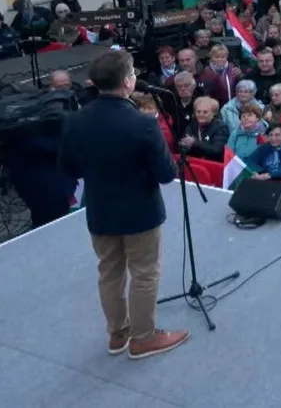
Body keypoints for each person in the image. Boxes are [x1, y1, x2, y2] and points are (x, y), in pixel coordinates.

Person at [57, 49, 188, 359]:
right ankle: (143, 338)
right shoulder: (143, 124)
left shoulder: (74, 121)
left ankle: (118, 335)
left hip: (101, 210)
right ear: (128, 82)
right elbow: (167, 174)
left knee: (109, 273)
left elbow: (71, 169)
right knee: (144, 273)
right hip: (140, 212)